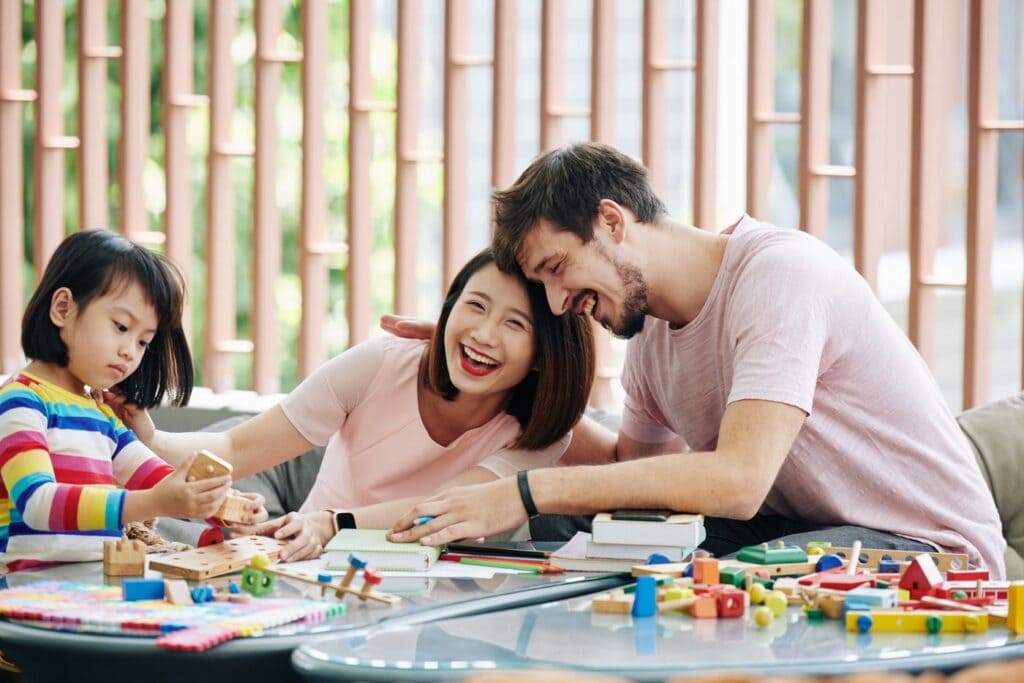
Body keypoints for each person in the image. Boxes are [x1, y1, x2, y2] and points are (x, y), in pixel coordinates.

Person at [389, 142, 1006, 577]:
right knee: (576, 536)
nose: (558, 302)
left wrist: (522, 492)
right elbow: (630, 477)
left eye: (557, 270)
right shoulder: (653, 346)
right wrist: (505, 378)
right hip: (802, 536)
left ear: (611, 221)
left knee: (709, 580)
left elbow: (738, 482)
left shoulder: (778, 277)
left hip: (931, 552)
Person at [111, 248, 595, 562]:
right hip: (315, 567)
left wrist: (333, 523)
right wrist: (150, 438)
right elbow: (237, 447)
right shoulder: (380, 364)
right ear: (448, 308)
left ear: (541, 357)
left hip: (446, 595)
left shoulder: (541, 436)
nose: (483, 334)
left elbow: (440, 510)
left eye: (515, 324)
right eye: (475, 306)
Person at [0, 230, 242, 572]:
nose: (130, 351)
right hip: (25, 589)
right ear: (63, 308)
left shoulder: (101, 414)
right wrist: (149, 503)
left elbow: (159, 480)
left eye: (144, 342)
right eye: (121, 326)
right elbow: (37, 502)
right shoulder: (21, 400)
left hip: (93, 581)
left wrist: (225, 507)